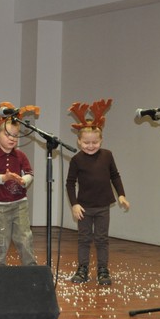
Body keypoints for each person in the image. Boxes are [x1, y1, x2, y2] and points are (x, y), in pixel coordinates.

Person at [66, 99, 130, 286]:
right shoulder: (76, 160)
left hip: (103, 207)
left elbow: (115, 176)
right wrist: (74, 204)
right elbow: (70, 184)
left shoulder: (107, 155)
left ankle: (103, 269)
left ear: (101, 140)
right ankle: (82, 269)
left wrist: (121, 195)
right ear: (79, 141)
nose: (91, 145)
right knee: (84, 239)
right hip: (84, 208)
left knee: (102, 239)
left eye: (95, 142)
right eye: (86, 142)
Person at [0, 107, 36, 267]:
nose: (12, 138)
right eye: (7, 134)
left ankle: (30, 268)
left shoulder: (21, 156)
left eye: (15, 135)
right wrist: (4, 178)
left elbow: (30, 174)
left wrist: (23, 180)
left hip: (20, 204)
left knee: (24, 237)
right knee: (0, 239)